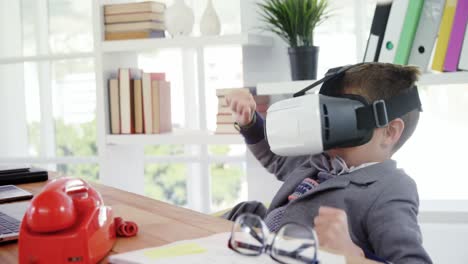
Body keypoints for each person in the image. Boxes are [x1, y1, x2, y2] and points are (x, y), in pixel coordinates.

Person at [225, 62, 432, 263]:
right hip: (262, 244)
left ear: (389, 132)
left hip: (296, 255)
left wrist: (352, 255)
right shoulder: (324, 159)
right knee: (244, 210)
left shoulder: (391, 188)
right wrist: (249, 120)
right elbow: (276, 159)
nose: (326, 127)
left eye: (340, 117)